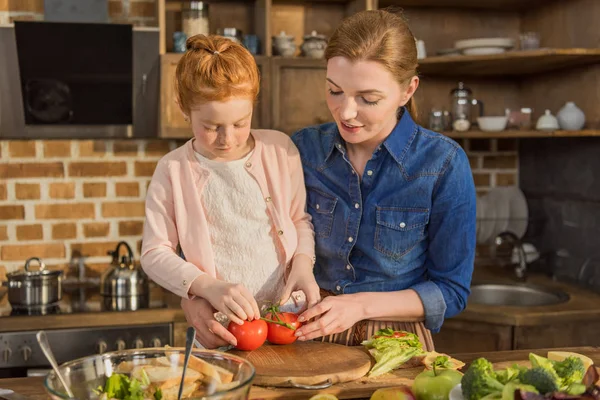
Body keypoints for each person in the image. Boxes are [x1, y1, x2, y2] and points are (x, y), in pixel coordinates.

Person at [290, 9, 477, 350]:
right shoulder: (302, 149)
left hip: (396, 338)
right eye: (335, 91)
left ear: (408, 90)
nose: (345, 112)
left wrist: (360, 306)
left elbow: (451, 291)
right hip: (308, 329)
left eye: (368, 99)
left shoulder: (444, 163)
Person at [140, 34, 320, 349]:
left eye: (240, 123)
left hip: (287, 322)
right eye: (211, 127)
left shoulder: (280, 149)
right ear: (184, 108)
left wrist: (304, 262)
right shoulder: (172, 170)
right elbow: (154, 253)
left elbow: (298, 219)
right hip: (220, 332)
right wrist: (205, 287)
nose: (227, 139)